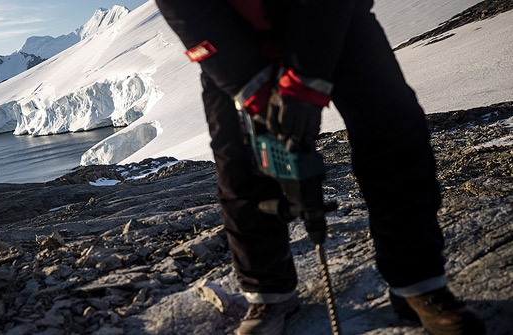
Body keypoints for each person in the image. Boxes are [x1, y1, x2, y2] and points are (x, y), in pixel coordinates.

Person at [154, 0, 486, 334]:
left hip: (334, 17)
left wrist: (304, 84)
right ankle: (269, 293)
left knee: (392, 130)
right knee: (240, 162)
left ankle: (418, 283)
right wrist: (251, 86)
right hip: (232, 39)